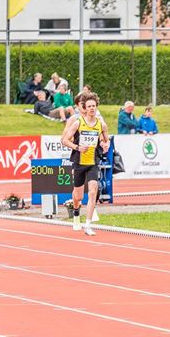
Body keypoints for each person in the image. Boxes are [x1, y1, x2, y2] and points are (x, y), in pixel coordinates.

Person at [61, 92, 110, 236]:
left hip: (93, 162)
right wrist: (77, 147)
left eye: (94, 106)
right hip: (79, 162)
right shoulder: (78, 123)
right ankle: (76, 214)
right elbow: (64, 140)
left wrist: (105, 144)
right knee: (78, 196)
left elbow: (106, 140)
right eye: (89, 106)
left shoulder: (101, 124)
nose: (92, 109)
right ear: (85, 108)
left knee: (93, 191)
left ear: (96, 107)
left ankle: (88, 225)